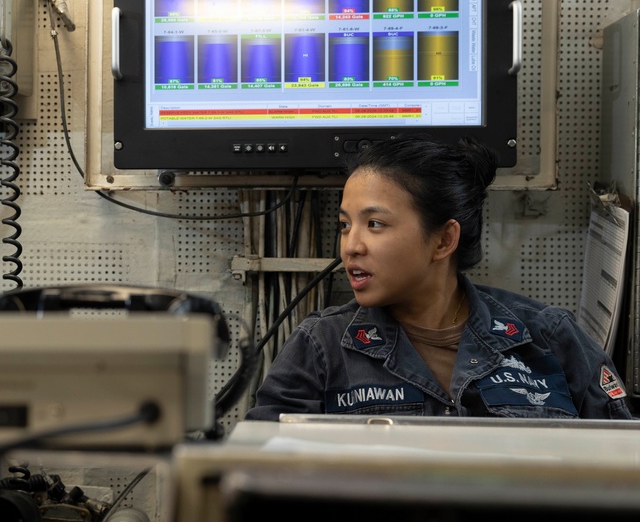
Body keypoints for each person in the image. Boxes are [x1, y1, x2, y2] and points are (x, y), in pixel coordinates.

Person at [246, 136, 633, 420]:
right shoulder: (321, 348)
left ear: (444, 240)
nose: (351, 246)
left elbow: (622, 470)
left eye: (375, 223)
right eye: (345, 225)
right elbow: (259, 481)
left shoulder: (549, 338)